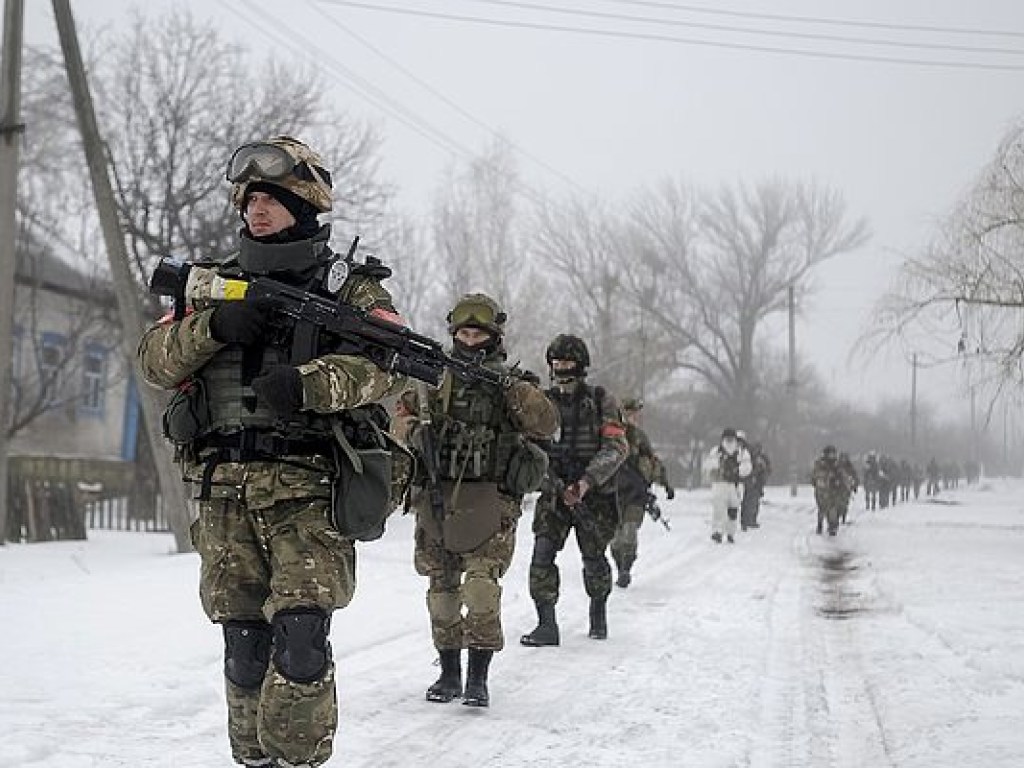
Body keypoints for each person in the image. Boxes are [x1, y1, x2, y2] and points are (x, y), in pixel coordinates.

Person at [137, 136, 405, 768]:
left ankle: (298, 759)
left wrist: (310, 385)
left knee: (302, 639)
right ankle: (254, 759)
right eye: (251, 198)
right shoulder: (211, 284)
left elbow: (386, 366)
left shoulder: (350, 290)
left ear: (305, 204)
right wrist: (212, 326)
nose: (257, 210)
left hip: (306, 491)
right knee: (244, 646)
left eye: (273, 199)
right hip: (224, 489)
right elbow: (153, 359)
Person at [404, 294, 558, 708]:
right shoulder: (434, 377)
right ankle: (449, 672)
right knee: (442, 590)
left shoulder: (510, 382)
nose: (470, 340)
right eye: (463, 332)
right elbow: (403, 415)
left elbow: (547, 423)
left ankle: (478, 678)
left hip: (491, 498)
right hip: (439, 494)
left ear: (493, 337)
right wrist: (413, 432)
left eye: (478, 333)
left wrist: (513, 389)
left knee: (481, 589)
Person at [521, 334, 628, 646]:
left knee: (594, 558)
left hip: (594, 495)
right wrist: (548, 480)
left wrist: (585, 482)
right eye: (556, 362)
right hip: (554, 492)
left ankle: (598, 612)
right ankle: (546, 625)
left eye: (566, 362)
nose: (560, 368)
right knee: (542, 555)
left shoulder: (601, 401)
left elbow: (616, 447)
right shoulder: (542, 402)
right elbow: (527, 446)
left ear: (580, 365)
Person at [609, 397, 674, 588]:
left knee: (629, 532)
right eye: (629, 412)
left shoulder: (639, 436)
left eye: (635, 412)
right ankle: (619, 564)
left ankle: (625, 570)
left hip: (635, 494)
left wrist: (666, 484)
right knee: (614, 538)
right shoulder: (608, 433)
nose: (632, 416)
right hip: (611, 493)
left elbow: (652, 461)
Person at [703, 428, 752, 543]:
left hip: (735, 485)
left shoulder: (741, 452)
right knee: (718, 510)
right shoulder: (716, 451)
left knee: (732, 511)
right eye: (727, 438)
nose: (729, 440)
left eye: (731, 438)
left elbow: (747, 467)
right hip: (719, 483)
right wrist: (716, 469)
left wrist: (737, 471)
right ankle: (717, 532)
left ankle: (730, 533)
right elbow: (709, 465)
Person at [812, 445, 846, 536]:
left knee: (834, 509)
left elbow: (842, 475)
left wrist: (841, 482)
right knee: (822, 508)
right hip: (822, 490)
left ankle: (833, 526)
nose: (832, 456)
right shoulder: (820, 463)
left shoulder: (837, 464)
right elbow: (815, 476)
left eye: (833, 454)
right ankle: (820, 524)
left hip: (834, 490)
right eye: (830, 454)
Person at [740, 437, 771, 531]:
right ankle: (747, 520)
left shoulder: (761, 458)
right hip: (751, 482)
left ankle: (750, 520)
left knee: (753, 502)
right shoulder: (751, 457)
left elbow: (767, 468)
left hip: (757, 483)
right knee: (749, 502)